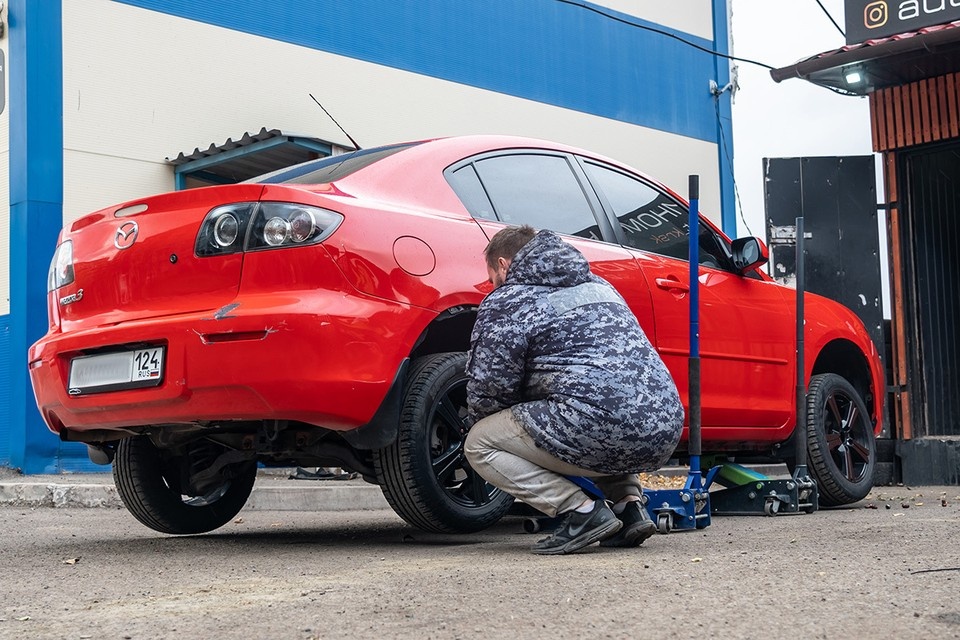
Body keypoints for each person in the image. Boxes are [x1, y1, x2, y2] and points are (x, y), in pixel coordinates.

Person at [464, 225, 684, 555]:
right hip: (664, 427)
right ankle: (629, 505)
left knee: (480, 443)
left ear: (504, 264)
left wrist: (478, 420)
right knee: (598, 409)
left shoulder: (508, 299)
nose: (493, 284)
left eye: (493, 275)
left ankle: (581, 512)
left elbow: (491, 387)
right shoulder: (600, 286)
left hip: (595, 424)